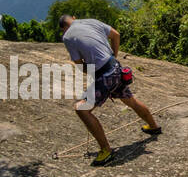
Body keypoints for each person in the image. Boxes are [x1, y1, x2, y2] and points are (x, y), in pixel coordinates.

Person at [59, 14, 160, 167]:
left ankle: (106, 150)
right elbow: (116, 35)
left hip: (106, 74)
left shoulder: (67, 37)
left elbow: (80, 65)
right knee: (129, 100)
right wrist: (113, 56)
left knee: (81, 109)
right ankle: (153, 127)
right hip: (116, 67)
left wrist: (95, 72)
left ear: (63, 28)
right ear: (74, 18)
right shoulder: (91, 21)